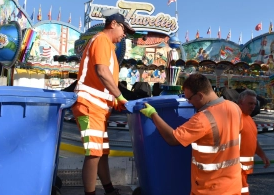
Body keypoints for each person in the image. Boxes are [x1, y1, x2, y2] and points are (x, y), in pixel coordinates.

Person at [139, 73, 243, 194]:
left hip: (209, 188)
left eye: (189, 98)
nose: (189, 102)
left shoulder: (203, 118)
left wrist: (153, 114)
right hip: (233, 185)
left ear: (199, 95)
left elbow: (172, 139)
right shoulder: (235, 108)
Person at [71, 13, 135, 195]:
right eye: (124, 29)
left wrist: (114, 101)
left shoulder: (108, 46)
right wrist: (120, 96)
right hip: (88, 105)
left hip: (97, 106)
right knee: (94, 153)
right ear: (113, 23)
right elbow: (101, 71)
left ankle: (109, 189)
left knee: (101, 152)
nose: (125, 35)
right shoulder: (101, 40)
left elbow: (102, 81)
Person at [237, 90, 270, 194]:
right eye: (250, 103)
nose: (253, 107)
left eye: (254, 104)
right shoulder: (235, 118)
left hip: (244, 169)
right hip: (235, 169)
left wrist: (262, 155)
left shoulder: (249, 119)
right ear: (240, 102)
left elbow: (253, 139)